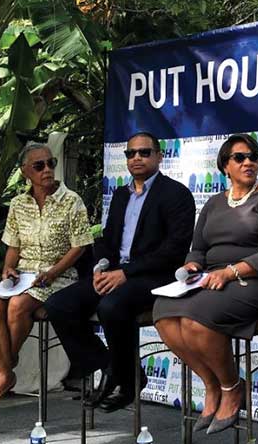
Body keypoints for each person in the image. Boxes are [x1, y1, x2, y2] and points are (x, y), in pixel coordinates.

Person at [154, 133, 258, 435]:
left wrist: (231, 272)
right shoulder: (213, 203)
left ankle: (233, 388)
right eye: (240, 157)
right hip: (214, 278)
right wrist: (192, 265)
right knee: (164, 311)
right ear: (225, 166)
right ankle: (213, 386)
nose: (249, 162)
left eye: (254, 157)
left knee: (198, 318)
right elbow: (198, 248)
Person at [44, 131, 195, 412]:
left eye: (144, 152)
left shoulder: (177, 195)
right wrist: (101, 268)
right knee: (58, 305)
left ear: (159, 157)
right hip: (115, 273)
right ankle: (117, 369)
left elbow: (173, 251)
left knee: (111, 306)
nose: (136, 158)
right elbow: (107, 240)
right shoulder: (121, 195)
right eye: (130, 153)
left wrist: (126, 273)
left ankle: (124, 381)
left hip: (154, 277)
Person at [0, 143, 94, 409]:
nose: (47, 170)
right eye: (39, 166)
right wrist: (8, 269)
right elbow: (13, 246)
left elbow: (80, 246)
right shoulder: (18, 204)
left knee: (18, 306)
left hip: (58, 275)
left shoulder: (71, 200)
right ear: (25, 171)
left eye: (50, 163)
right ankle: (6, 371)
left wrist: (52, 272)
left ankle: (3, 369)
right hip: (25, 275)